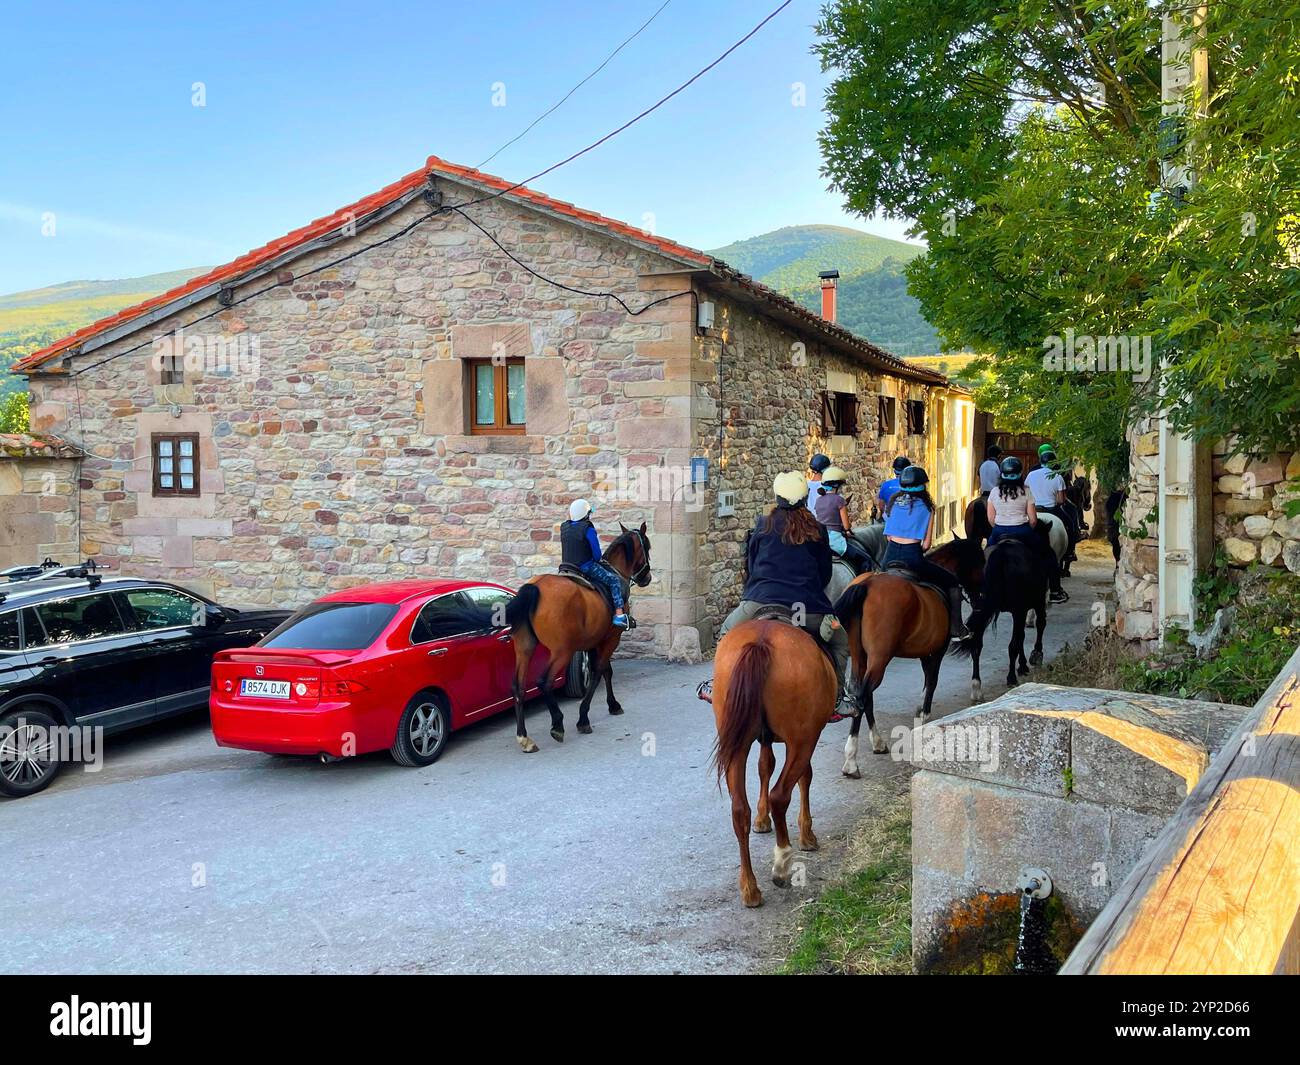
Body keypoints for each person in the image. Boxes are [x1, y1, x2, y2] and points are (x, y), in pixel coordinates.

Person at [720, 471, 856, 717]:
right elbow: (825, 574)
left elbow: (750, 566)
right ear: (805, 498)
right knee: (840, 642)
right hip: (804, 608)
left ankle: (716, 685)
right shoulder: (818, 530)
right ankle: (837, 700)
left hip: (759, 600)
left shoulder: (763, 525)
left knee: (726, 633)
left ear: (777, 497)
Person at [880, 465, 969, 637]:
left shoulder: (892, 504)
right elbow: (927, 544)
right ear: (923, 486)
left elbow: (888, 537)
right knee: (951, 582)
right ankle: (956, 627)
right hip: (912, 558)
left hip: (889, 557)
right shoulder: (928, 508)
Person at [985, 457, 1068, 602]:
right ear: (1020, 474)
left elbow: (991, 518)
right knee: (1049, 555)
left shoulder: (994, 492)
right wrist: (1026, 528)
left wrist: (1000, 528)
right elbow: (1033, 519)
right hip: (1022, 531)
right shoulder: (1026, 491)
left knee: (984, 558)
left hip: (999, 532)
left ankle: (983, 590)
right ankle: (1055, 591)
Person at [560, 499, 629, 628]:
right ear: (586, 514)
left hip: (566, 567)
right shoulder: (588, 528)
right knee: (613, 580)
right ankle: (619, 615)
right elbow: (597, 556)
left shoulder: (564, 527)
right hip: (585, 567)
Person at [812, 466, 872, 573]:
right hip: (835, 542)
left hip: (821, 540)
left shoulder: (818, 500)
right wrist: (847, 530)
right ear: (837, 486)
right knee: (865, 560)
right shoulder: (839, 500)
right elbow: (846, 526)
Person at [1026, 447, 1080, 561]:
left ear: (1041, 461)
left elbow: (1026, 491)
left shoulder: (1031, 475)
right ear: (1053, 463)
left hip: (1033, 509)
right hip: (1051, 509)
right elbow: (1061, 500)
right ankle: (1070, 552)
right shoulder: (1057, 476)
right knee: (1070, 525)